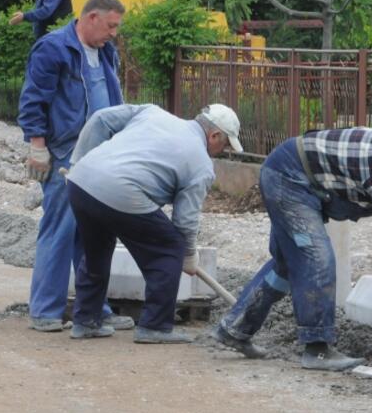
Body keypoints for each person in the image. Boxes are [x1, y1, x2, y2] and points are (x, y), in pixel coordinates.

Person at [215, 123, 372, 371]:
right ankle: (317, 349)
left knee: (287, 264)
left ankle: (235, 328)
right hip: (290, 176)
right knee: (316, 259)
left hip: (300, 180)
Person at [65, 104, 243, 341]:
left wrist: (79, 161)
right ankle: (155, 326)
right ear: (215, 135)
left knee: (97, 250)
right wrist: (187, 253)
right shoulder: (201, 164)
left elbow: (100, 119)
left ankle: (86, 320)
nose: (223, 151)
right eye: (226, 145)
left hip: (80, 182)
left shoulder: (153, 113)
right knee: (169, 249)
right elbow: (185, 221)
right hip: (119, 190)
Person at [17, 0, 133, 332]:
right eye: (111, 26)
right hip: (66, 151)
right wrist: (37, 144)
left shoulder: (105, 52)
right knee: (60, 229)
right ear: (92, 17)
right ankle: (45, 310)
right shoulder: (54, 49)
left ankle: (94, 309)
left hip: (99, 153)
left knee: (94, 233)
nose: (114, 33)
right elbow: (34, 98)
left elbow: (113, 101)